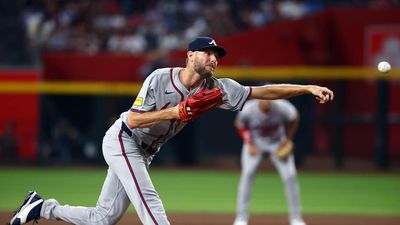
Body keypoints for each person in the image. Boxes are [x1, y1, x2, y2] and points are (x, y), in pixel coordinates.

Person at [9, 36, 333, 225]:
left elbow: (262, 92)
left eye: (217, 55)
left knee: (101, 219)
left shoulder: (217, 89)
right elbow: (133, 120)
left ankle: (40, 207)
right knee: (152, 207)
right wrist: (175, 111)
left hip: (146, 152)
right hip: (123, 139)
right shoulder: (160, 78)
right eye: (207, 53)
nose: (213, 58)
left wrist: (306, 88)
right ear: (190, 55)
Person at [233, 99, 305, 225]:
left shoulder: (281, 106)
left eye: (269, 97)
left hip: (277, 143)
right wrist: (249, 143)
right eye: (264, 97)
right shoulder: (249, 108)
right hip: (255, 143)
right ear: (257, 98)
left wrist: (288, 139)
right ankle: (241, 218)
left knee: (290, 176)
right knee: (247, 175)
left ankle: (296, 219)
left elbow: (295, 117)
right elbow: (239, 124)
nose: (267, 100)